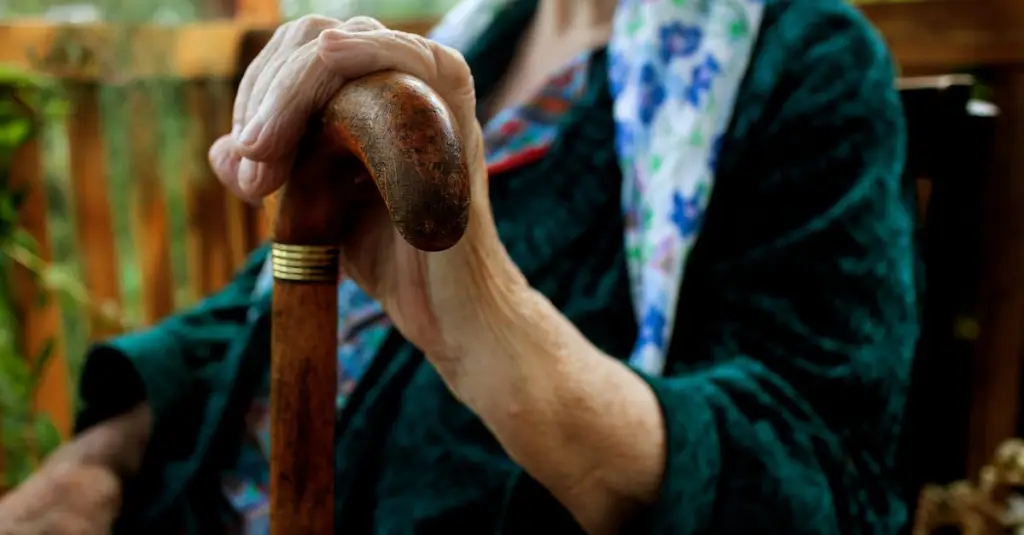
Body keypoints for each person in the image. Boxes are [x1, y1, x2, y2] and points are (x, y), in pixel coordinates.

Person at [0, 0, 920, 533]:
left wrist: (499, 325)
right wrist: (93, 461)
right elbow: (259, 302)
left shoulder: (802, 63)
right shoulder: (479, 31)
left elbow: (825, 479)